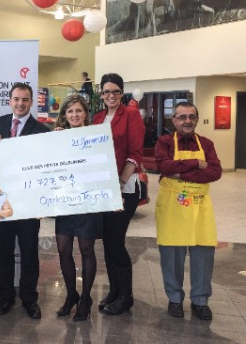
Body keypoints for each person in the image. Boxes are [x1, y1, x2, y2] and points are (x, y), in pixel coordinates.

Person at [0, 82, 50, 319]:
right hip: (2, 204)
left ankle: (29, 299)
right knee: (3, 253)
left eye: (25, 99)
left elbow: (46, 168)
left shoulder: (41, 130)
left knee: (30, 255)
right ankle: (6, 297)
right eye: (16, 99)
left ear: (31, 102)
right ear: (9, 101)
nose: (20, 103)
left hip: (29, 205)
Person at [154, 102, 222, 321]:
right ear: (173, 120)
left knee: (203, 255)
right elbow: (164, 167)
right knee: (172, 255)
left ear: (196, 119)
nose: (187, 121)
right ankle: (175, 299)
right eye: (182, 117)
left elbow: (215, 172)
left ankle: (200, 301)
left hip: (200, 206)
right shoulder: (164, 142)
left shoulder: (207, 143)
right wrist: (196, 164)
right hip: (173, 207)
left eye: (192, 117)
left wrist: (182, 174)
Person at [92, 73, 145, 316]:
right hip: (103, 188)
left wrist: (120, 184)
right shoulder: (98, 117)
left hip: (125, 187)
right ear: (101, 94)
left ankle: (126, 296)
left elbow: (135, 152)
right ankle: (114, 291)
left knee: (116, 241)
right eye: (106, 92)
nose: (110, 95)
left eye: (115, 91)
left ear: (121, 93)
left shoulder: (132, 115)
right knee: (107, 243)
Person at [53, 95, 103, 321]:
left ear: (85, 114)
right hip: (65, 200)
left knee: (86, 249)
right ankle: (71, 295)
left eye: (78, 111)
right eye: (70, 111)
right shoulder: (57, 137)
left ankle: (85, 299)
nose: (74, 115)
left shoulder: (96, 136)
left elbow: (104, 166)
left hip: (88, 199)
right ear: (64, 115)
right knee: (63, 248)